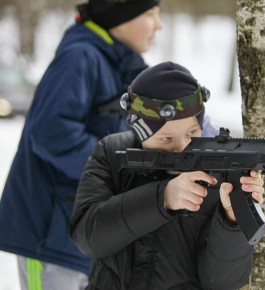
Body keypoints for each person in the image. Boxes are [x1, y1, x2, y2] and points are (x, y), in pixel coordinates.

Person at [0, 1, 163, 289]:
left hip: (83, 235)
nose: (158, 25)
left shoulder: (119, 66)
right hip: (50, 237)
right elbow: (51, 131)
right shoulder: (80, 58)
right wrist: (112, 169)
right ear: (120, 19)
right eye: (149, 14)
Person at [69, 61, 265, 289]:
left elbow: (220, 281)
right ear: (140, 133)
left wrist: (232, 220)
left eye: (192, 133)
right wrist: (162, 198)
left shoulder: (221, 170)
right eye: (166, 139)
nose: (182, 147)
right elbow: (88, 236)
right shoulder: (113, 154)